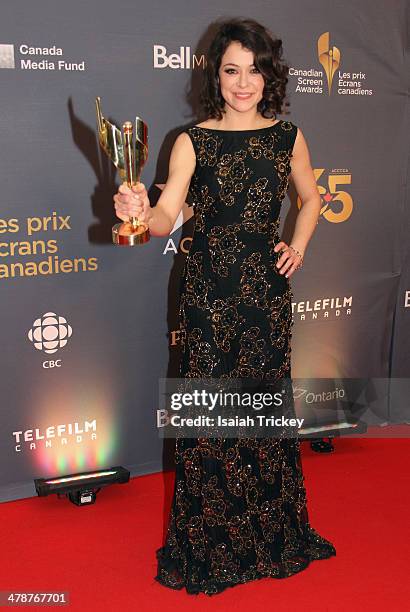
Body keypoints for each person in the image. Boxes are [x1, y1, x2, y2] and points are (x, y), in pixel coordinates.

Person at [114, 17, 336, 596]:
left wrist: (299, 245)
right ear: (217, 74)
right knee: (211, 422)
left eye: (254, 69)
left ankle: (270, 534)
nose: (244, 82)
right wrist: (140, 208)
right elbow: (169, 216)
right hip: (208, 297)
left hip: (264, 296)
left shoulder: (288, 136)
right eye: (232, 70)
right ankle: (213, 543)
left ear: (270, 74)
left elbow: (312, 198)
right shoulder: (192, 140)